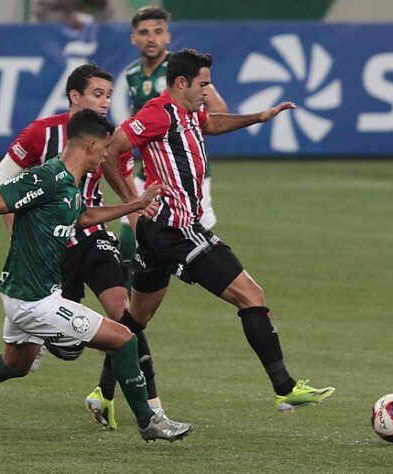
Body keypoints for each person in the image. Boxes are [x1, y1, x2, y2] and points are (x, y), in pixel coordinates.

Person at [0, 109, 192, 443]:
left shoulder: (69, 185)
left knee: (14, 364)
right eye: (104, 148)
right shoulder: (47, 177)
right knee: (124, 339)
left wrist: (133, 205)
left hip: (23, 293)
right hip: (35, 302)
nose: (107, 155)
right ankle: (150, 423)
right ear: (90, 145)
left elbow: (83, 216)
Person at [101, 48, 336, 413]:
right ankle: (285, 388)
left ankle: (102, 393)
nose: (207, 92)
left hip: (159, 232)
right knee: (251, 296)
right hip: (176, 230)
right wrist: (132, 201)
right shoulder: (158, 113)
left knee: (136, 319)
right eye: (203, 85)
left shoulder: (189, 112)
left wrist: (259, 116)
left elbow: (209, 124)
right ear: (182, 83)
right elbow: (111, 150)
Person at [0, 64, 163, 430]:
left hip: (93, 236)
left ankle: (153, 407)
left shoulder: (110, 137)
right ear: (75, 96)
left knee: (124, 315)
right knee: (59, 350)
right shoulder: (41, 133)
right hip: (53, 250)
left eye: (108, 96)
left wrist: (142, 229)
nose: (104, 102)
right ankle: (89, 382)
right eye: (97, 94)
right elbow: (2, 180)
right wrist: (18, 236)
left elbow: (124, 185)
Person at [117, 6, 227, 266]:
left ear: (167, 36)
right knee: (129, 237)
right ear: (134, 38)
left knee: (198, 236)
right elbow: (138, 118)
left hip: (186, 173)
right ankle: (129, 305)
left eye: (157, 31)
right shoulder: (133, 74)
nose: (151, 38)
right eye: (144, 32)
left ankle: (227, 280)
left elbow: (218, 111)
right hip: (151, 171)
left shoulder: (183, 71)